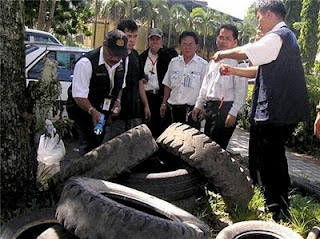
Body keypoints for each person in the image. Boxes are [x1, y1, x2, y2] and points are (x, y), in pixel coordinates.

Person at [213, 0, 310, 221]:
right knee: (260, 157)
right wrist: (233, 71)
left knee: (271, 162)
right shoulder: (282, 39)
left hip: (277, 112)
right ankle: (266, 201)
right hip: (270, 112)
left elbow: (249, 51)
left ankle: (278, 210)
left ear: (267, 15)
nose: (259, 23)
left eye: (258, 18)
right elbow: (260, 69)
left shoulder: (279, 36)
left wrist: (224, 54)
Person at [66, 29, 128, 155]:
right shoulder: (86, 63)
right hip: (83, 111)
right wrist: (92, 111)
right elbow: (79, 96)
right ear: (104, 44)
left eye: (119, 55)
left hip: (103, 111)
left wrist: (118, 101)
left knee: (98, 143)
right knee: (87, 145)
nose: (115, 58)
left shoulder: (123, 62)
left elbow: (121, 85)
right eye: (112, 53)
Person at [191, 24, 248, 149]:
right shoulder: (213, 61)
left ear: (235, 42)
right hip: (211, 107)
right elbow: (205, 86)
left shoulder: (238, 63)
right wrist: (198, 105)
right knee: (206, 144)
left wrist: (233, 113)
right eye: (221, 37)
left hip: (226, 108)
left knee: (217, 148)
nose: (223, 41)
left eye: (228, 38)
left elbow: (241, 92)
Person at [105, 20, 148, 140]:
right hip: (115, 112)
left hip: (133, 111)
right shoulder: (111, 56)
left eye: (135, 36)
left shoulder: (135, 55)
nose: (132, 40)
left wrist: (146, 105)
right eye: (129, 36)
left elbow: (140, 81)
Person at [160, 31, 208, 130]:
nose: (187, 47)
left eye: (190, 44)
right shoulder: (174, 62)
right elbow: (168, 85)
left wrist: (202, 107)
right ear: (180, 46)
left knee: (189, 143)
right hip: (172, 110)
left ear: (196, 46)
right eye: (184, 44)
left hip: (191, 112)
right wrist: (164, 103)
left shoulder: (203, 65)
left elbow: (205, 89)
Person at [139, 28, 178, 138]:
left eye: (157, 39)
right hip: (146, 96)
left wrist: (159, 51)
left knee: (161, 128)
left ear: (162, 41)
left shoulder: (169, 54)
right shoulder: (142, 57)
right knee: (146, 127)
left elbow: (172, 64)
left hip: (161, 97)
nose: (154, 42)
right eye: (152, 39)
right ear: (148, 40)